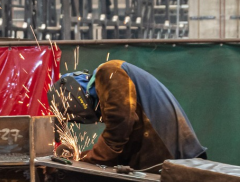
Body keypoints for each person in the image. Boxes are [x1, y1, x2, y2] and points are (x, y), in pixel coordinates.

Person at [52, 59, 206, 170]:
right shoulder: (111, 91)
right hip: (171, 160)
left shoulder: (109, 72)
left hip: (174, 158)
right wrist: (80, 158)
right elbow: (121, 147)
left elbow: (118, 131)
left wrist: (83, 160)